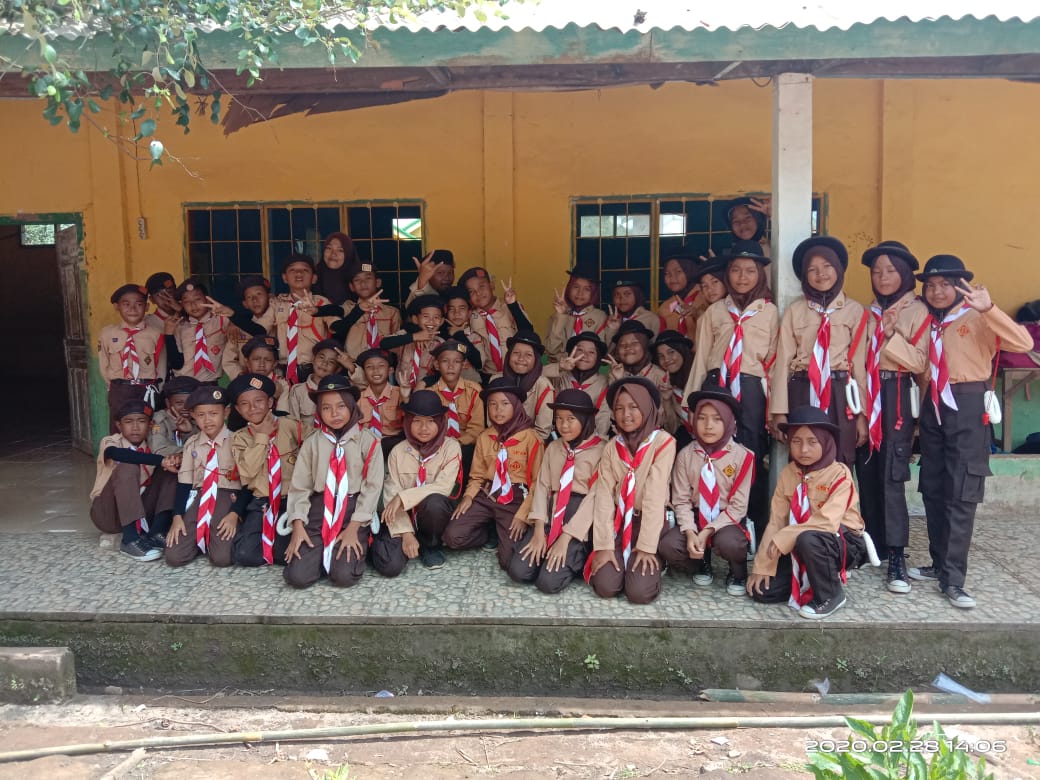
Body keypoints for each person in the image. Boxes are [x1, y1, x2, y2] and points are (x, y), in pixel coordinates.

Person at [906, 255, 1034, 608]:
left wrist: (989, 308)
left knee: (962, 490)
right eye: (931, 286)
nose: (937, 291)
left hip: (967, 403)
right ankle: (937, 563)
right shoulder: (928, 322)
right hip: (933, 406)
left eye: (945, 285)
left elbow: (1023, 343)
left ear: (960, 287)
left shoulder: (977, 316)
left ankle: (953, 578)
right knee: (933, 486)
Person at [687, 240, 778, 540]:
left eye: (750, 271)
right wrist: (691, 404)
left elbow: (774, 362)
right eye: (736, 270)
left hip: (752, 390)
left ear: (760, 274)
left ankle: (753, 527)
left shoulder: (769, 312)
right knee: (713, 454)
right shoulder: (714, 312)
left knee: (751, 455)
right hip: (717, 387)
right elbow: (701, 358)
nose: (742, 277)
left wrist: (776, 407)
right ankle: (712, 526)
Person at [747, 406, 873, 619]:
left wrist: (785, 537)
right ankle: (810, 581)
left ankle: (831, 594)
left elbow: (827, 522)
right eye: (796, 441)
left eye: (812, 442)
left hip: (842, 542)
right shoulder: (788, 473)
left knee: (809, 538)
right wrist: (763, 566)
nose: (803, 449)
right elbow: (776, 521)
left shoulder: (840, 474)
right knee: (763, 591)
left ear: (826, 441)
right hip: (800, 543)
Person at [855, 241, 930, 593]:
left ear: (904, 274)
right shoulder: (866, 312)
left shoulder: (917, 311)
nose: (883, 277)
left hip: (897, 392)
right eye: (876, 272)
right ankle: (875, 545)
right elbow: (857, 360)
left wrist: (890, 336)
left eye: (890, 271)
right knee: (867, 469)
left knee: (891, 476)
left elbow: (920, 362)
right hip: (867, 393)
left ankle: (898, 554)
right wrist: (858, 409)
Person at [770, 237, 869, 467]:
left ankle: (839, 493)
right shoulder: (795, 311)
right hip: (802, 388)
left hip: (840, 391)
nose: (820, 274)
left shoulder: (855, 311)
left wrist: (862, 415)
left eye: (827, 266)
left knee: (841, 455)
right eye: (812, 269)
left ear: (839, 269)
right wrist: (779, 411)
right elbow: (782, 361)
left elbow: (859, 366)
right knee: (803, 454)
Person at [576, 377, 677, 604]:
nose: (626, 415)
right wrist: (604, 546)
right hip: (619, 523)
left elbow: (654, 496)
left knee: (639, 593)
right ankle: (623, 562)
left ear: (647, 408)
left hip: (648, 523)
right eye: (619, 408)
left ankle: (657, 561)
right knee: (605, 586)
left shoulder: (663, 443)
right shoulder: (613, 447)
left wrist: (647, 547)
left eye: (633, 407)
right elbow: (604, 497)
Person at [283, 376, 383, 589]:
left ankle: (342, 554)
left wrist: (354, 527)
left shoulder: (370, 442)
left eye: (341, 406)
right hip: (319, 509)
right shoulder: (312, 443)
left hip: (353, 510)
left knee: (344, 577)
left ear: (352, 406)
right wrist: (298, 526)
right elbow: (300, 487)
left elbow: (372, 488)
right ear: (319, 411)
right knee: (298, 577)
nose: (334, 413)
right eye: (326, 408)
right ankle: (320, 554)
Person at [508, 389, 606, 592]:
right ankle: (550, 549)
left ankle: (577, 554)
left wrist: (566, 538)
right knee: (518, 571)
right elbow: (542, 487)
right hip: (551, 513)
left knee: (548, 582)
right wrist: (538, 530)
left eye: (571, 419)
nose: (563, 425)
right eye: (559, 418)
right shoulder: (554, 448)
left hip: (578, 517)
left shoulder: (602, 451)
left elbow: (594, 498)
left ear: (585, 419)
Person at [443, 377, 544, 570]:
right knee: (452, 536)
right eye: (492, 404)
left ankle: (502, 532)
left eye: (505, 404)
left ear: (516, 406)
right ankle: (488, 531)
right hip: (487, 494)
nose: (498, 410)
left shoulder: (532, 439)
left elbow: (537, 483)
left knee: (508, 560)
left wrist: (523, 515)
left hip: (516, 497)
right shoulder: (485, 437)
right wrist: (468, 497)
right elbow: (477, 475)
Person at [660, 388, 754, 594]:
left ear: (729, 421)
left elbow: (738, 505)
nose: (708, 425)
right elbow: (681, 500)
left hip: (727, 518)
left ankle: (738, 572)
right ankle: (700, 562)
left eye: (717, 419)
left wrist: (709, 530)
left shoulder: (743, 456)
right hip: (696, 514)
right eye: (702, 418)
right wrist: (690, 531)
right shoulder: (685, 455)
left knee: (730, 543)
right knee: (669, 545)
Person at [372, 390, 463, 574]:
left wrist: (403, 497)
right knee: (390, 565)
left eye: (430, 421)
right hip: (403, 518)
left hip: (433, 519)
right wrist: (406, 534)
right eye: (417, 421)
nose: (424, 428)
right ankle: (407, 540)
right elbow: (391, 495)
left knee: (435, 501)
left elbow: (443, 487)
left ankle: (431, 545)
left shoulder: (451, 447)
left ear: (440, 422)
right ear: (407, 422)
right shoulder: (398, 451)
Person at [165, 386, 249, 567]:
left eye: (213, 413)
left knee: (222, 559)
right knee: (174, 556)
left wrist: (234, 514)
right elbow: (184, 483)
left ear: (226, 413)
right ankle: (201, 537)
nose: (207, 420)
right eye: (201, 415)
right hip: (199, 497)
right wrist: (177, 516)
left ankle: (215, 537)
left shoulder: (239, 441)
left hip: (227, 497)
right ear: (193, 416)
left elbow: (249, 484)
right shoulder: (192, 444)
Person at [227, 374, 302, 567]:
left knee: (285, 555)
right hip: (262, 501)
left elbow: (314, 446)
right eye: (245, 404)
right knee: (245, 555)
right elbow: (248, 471)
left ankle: (275, 541)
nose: (253, 408)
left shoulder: (290, 425)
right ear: (238, 409)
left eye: (259, 401)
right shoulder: (239, 438)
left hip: (291, 500)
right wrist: (262, 437)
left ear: (270, 402)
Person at [89, 400, 178, 561]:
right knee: (128, 467)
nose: (135, 427)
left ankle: (157, 532)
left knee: (170, 470)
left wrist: (187, 434)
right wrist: (160, 460)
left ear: (150, 425)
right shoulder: (111, 441)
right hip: (108, 514)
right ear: (119, 425)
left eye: (141, 421)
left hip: (143, 513)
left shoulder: (153, 446)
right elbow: (118, 454)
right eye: (129, 422)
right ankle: (129, 540)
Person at [99, 284, 164, 426]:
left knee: (149, 427)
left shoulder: (156, 334)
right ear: (117, 307)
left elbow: (161, 365)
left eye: (139, 304)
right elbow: (104, 364)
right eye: (126, 304)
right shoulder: (107, 333)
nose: (133, 309)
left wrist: (157, 389)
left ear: (147, 307)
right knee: (119, 428)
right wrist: (114, 387)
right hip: (120, 390)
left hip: (146, 389)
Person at [271, 254, 339, 385]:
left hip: (314, 371)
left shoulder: (322, 303)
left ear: (314, 278)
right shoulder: (276, 304)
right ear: (284, 278)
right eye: (292, 270)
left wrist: (320, 311)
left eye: (305, 270)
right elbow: (259, 327)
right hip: (282, 372)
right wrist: (234, 322)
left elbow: (338, 327)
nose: (298, 273)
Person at [457, 267, 533, 378]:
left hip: (516, 373)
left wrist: (513, 305)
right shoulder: (469, 317)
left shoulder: (510, 306)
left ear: (492, 285)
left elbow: (529, 333)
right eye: (471, 291)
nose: (478, 293)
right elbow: (464, 345)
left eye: (482, 286)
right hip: (488, 375)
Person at [428, 340, 486, 477]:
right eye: (445, 361)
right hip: (438, 445)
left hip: (465, 444)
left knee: (469, 454)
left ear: (464, 364)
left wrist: (456, 443)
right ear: (437, 365)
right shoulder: (430, 394)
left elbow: (476, 429)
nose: (451, 366)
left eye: (457, 361)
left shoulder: (474, 391)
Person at [606, 321, 674, 431]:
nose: (628, 347)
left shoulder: (660, 376)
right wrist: (620, 381)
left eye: (634, 343)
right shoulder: (615, 375)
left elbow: (669, 425)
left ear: (645, 346)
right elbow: (612, 415)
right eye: (622, 345)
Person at [543, 332, 612, 437]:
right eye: (580, 350)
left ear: (598, 358)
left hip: (588, 438)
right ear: (572, 352)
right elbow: (535, 376)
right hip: (556, 434)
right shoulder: (559, 375)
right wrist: (560, 367)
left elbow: (603, 417)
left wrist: (594, 441)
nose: (584, 355)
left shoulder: (604, 382)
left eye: (591, 352)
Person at [380, 294, 445, 396]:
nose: (431, 321)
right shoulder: (405, 336)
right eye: (426, 316)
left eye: (436, 317)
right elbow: (384, 343)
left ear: (441, 321)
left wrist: (424, 383)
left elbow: (443, 372)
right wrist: (414, 337)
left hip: (426, 392)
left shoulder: (441, 344)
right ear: (415, 319)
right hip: (400, 391)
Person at [171, 279, 230, 385]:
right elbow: (176, 360)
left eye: (198, 299)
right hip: (185, 383)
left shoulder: (221, 321)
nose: (193, 305)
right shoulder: (179, 326)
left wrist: (233, 320)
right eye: (187, 302)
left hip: (211, 383)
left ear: (207, 300)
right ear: (182, 305)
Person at [499, 331, 555, 440]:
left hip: (530, 442)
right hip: (498, 439)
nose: (521, 358)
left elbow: (542, 432)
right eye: (516, 353)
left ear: (536, 360)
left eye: (528, 355)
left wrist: (515, 443)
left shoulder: (543, 385)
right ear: (508, 355)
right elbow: (491, 424)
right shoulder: (496, 380)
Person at [546, 261, 607, 362]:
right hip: (562, 367)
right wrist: (561, 317)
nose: (580, 293)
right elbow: (551, 350)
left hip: (589, 367)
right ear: (569, 288)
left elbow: (602, 353)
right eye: (576, 287)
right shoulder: (557, 316)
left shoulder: (600, 317)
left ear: (594, 292)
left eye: (587, 289)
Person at [340, 262, 402, 358]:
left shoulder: (392, 313)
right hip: (353, 363)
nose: (363, 283)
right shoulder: (346, 309)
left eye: (368, 278)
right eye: (357, 280)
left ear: (378, 282)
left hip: (382, 364)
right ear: (351, 287)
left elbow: (398, 345)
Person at [284, 338, 344, 433]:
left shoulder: (342, 390)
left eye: (331, 362)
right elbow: (293, 424)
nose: (324, 363)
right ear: (313, 359)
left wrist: (350, 366)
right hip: (306, 439)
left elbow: (362, 384)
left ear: (337, 369)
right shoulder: (298, 391)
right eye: (321, 357)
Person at [356, 348, 404, 459]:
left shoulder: (399, 394)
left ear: (390, 370)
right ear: (364, 372)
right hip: (365, 446)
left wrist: (406, 398)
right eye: (369, 367)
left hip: (393, 446)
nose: (375, 370)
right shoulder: (358, 398)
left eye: (381, 366)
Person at [653, 329, 694, 446]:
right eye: (661, 356)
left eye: (671, 352)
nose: (666, 359)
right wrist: (666, 400)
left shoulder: (700, 376)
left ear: (682, 351)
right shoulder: (668, 385)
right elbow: (672, 429)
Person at [658, 254, 707, 338]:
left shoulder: (707, 297)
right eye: (667, 273)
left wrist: (698, 314)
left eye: (679, 271)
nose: (672, 277)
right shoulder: (664, 308)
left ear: (690, 271)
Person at [149, 376, 200, 456]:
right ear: (168, 403)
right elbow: (159, 450)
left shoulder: (198, 418)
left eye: (190, 402)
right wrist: (192, 452)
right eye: (179, 403)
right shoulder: (159, 420)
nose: (185, 407)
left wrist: (190, 432)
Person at [603, 279, 663, 345]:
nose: (621, 299)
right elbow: (608, 350)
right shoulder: (611, 320)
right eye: (617, 295)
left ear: (637, 295)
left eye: (627, 294)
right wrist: (612, 330)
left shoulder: (651, 318)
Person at [313, 232, 360, 307]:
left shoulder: (357, 279)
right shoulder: (313, 276)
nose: (333, 254)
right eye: (329, 248)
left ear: (348, 254)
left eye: (340, 250)